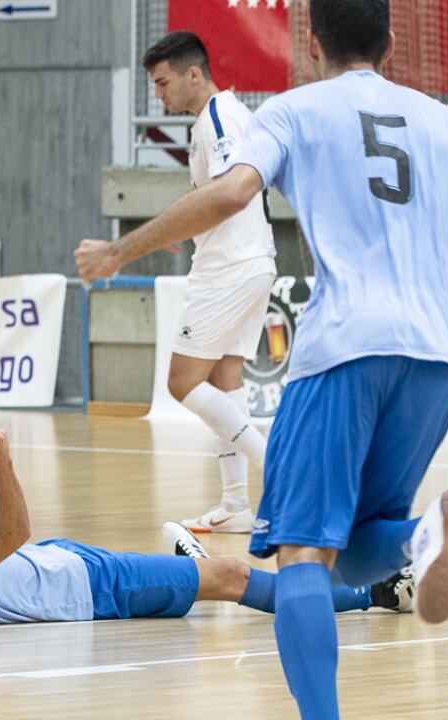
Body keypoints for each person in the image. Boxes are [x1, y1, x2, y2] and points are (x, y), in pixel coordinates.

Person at [75, 0, 448, 716]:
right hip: (441, 356)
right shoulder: (447, 120)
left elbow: (232, 192)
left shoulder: (292, 110)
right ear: (392, 45)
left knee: (303, 558)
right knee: (365, 550)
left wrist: (121, 249)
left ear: (312, 46)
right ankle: (425, 535)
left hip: (345, 343)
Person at [0, 406, 412, 630]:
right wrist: (2, 463)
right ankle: (374, 592)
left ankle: (181, 575)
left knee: (208, 578)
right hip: (92, 588)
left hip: (66, 559)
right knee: (230, 579)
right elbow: (10, 536)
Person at [130, 30, 278, 533]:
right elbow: (218, 192)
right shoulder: (225, 116)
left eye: (164, 82)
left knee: (181, 382)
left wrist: (175, 225)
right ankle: (237, 505)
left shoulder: (217, 118)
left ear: (194, 74)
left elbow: (227, 194)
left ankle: (280, 471)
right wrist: (183, 223)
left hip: (229, 268)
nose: (160, 94)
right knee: (224, 379)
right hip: (249, 260)